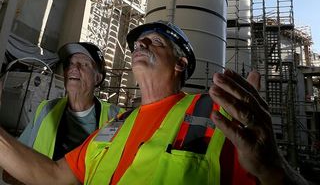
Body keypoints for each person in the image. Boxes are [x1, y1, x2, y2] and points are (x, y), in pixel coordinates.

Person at [0, 22, 309, 184]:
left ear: (180, 64)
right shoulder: (115, 126)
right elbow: (53, 175)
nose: (141, 44)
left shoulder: (217, 113)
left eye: (156, 42)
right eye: (138, 42)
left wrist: (275, 171)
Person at [2, 42, 123, 183]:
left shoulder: (116, 118)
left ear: (98, 78)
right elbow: (16, 164)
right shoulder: (47, 109)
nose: (73, 68)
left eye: (84, 64)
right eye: (70, 64)